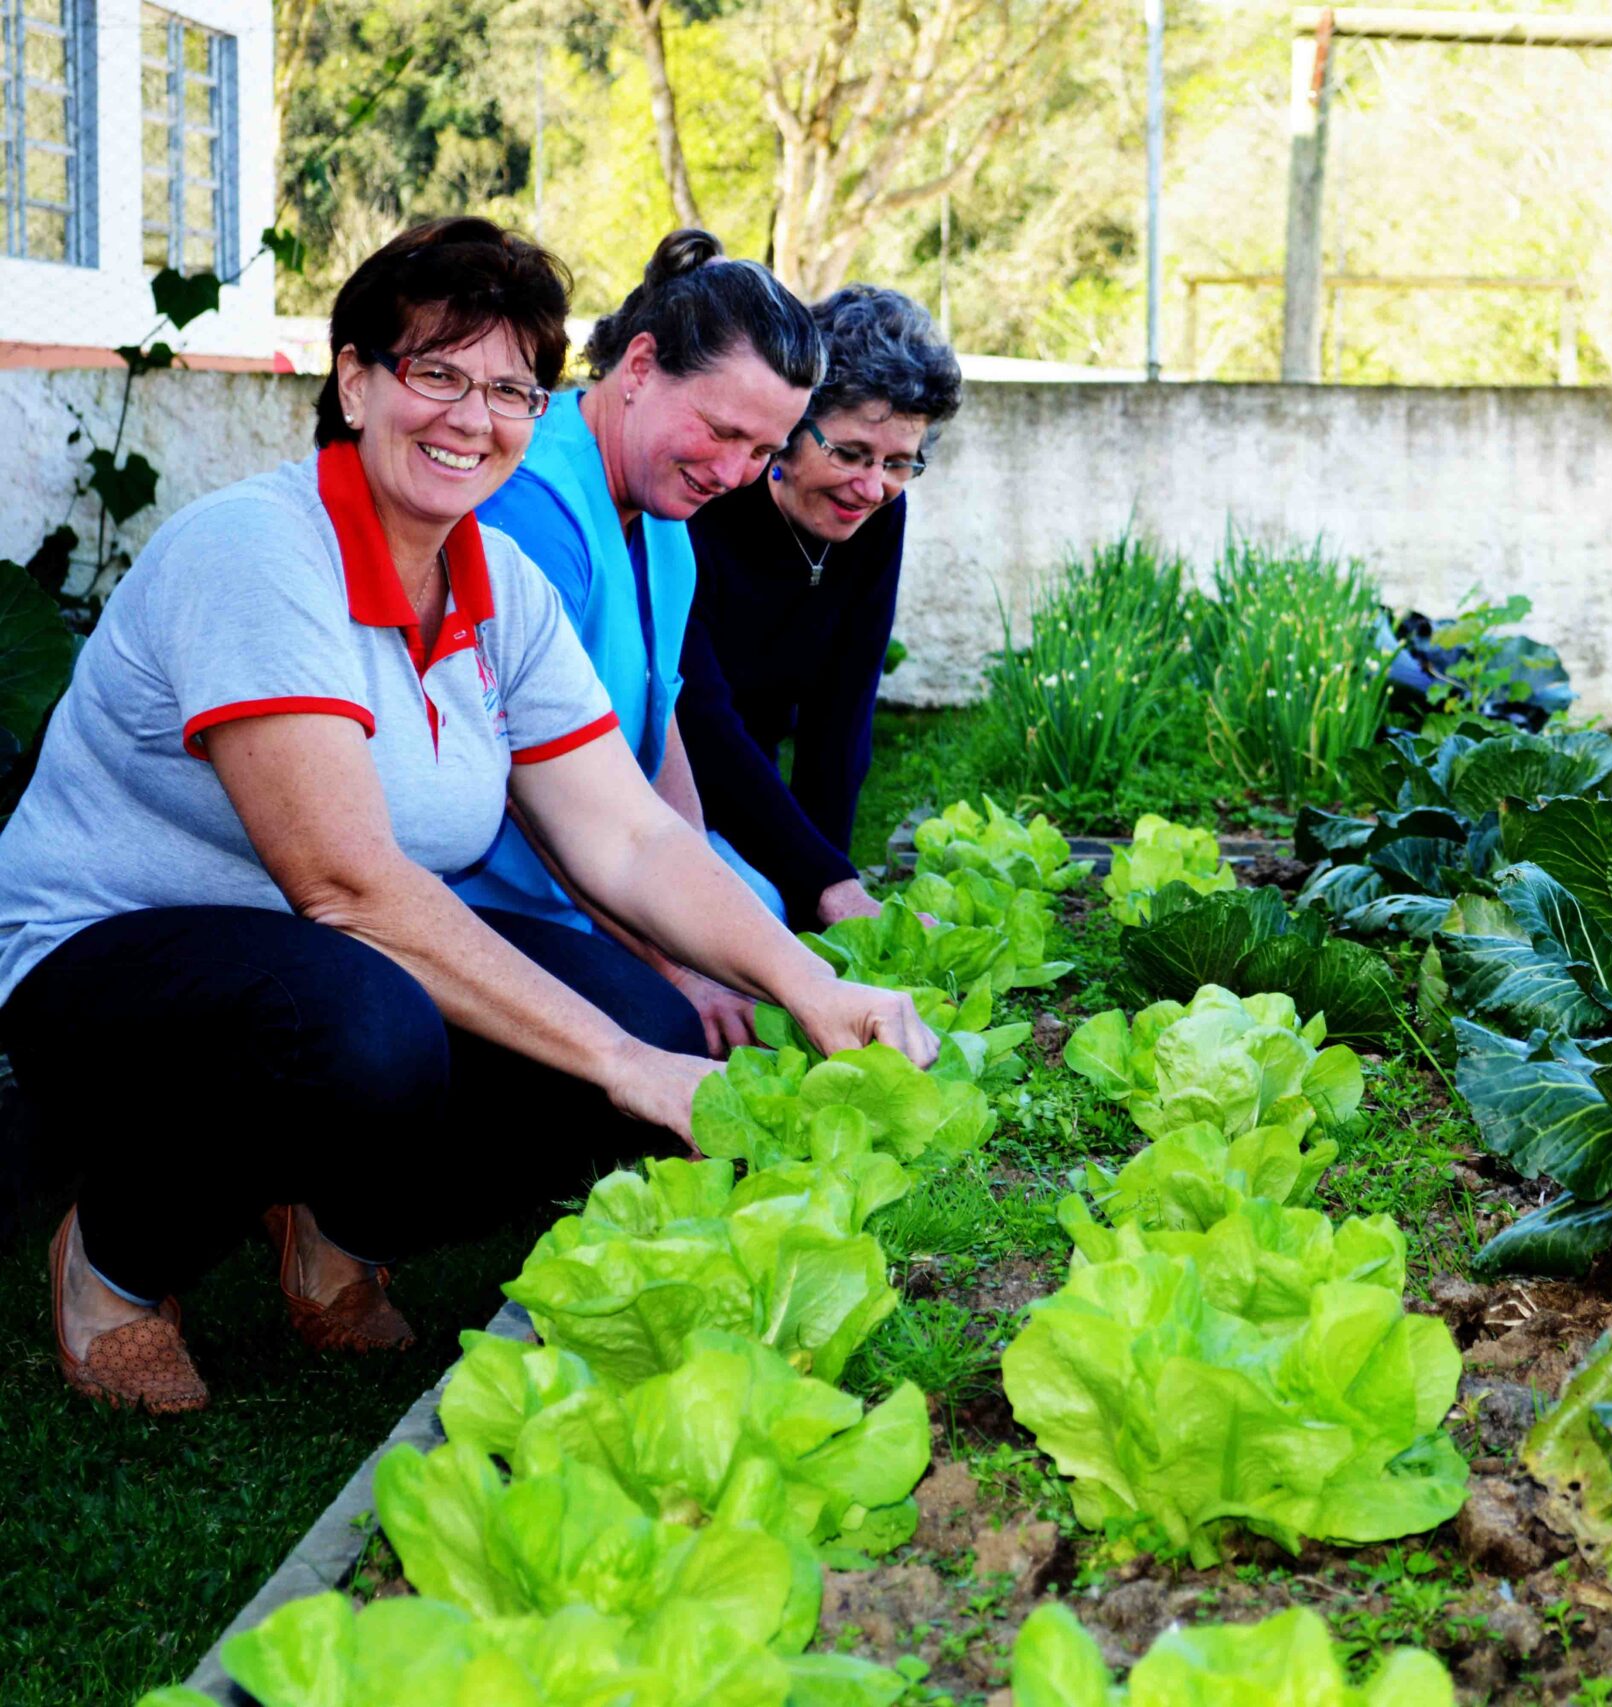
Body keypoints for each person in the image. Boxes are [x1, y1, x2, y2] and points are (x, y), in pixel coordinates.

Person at [0, 218, 935, 1415]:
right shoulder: (259, 553)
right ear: (355, 381)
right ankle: (114, 1269)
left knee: (641, 1003)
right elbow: (345, 887)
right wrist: (626, 1066)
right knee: (377, 1019)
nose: (471, 416)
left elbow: (633, 833)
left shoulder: (502, 587)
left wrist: (810, 984)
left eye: (508, 388)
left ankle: (339, 1226)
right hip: (106, 962)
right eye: (434, 373)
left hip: (320, 966)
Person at [457, 230, 822, 1055]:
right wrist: (677, 963)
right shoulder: (534, 507)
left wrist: (704, 898)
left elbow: (663, 733)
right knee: (675, 1016)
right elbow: (533, 788)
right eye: (723, 432)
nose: (734, 474)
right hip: (504, 892)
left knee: (758, 909)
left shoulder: (666, 522)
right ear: (643, 366)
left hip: (608, 864)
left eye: (763, 452)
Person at [678, 285, 964, 930]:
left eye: (898, 462)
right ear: (789, 430)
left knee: (788, 912)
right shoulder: (706, 503)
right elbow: (699, 716)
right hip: (671, 781)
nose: (871, 487)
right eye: (851, 453)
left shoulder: (876, 514)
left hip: (756, 781)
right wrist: (821, 880)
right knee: (756, 912)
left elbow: (842, 714)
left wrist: (829, 890)